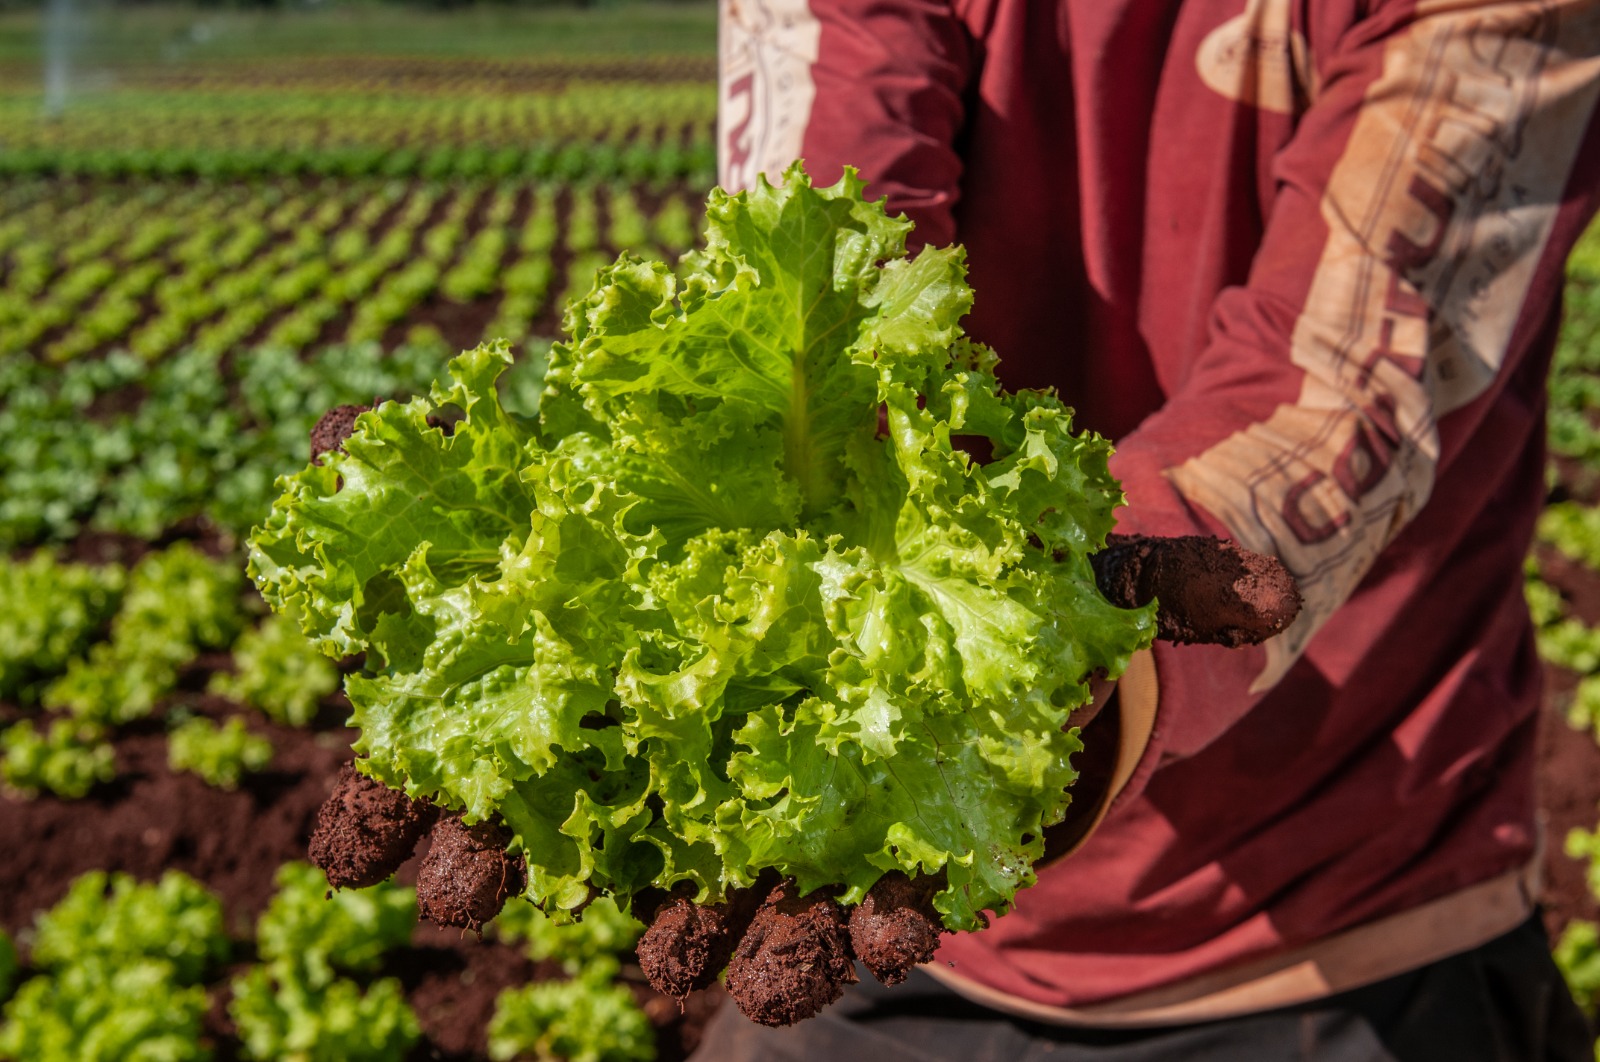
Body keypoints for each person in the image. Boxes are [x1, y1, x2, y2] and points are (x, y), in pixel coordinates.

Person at [694, 0, 1600, 1057]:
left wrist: (1077, 622)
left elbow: (1343, 380)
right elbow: (811, 254)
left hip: (1335, 926)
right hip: (893, 895)